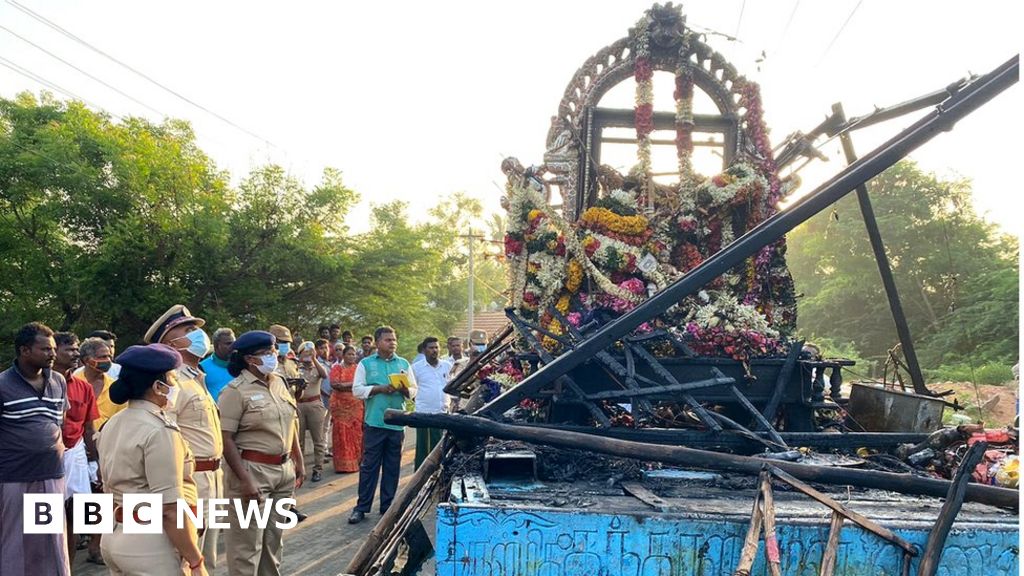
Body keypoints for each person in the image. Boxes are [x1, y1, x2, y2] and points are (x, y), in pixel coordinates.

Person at [97, 344, 208, 576]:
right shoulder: (160, 430)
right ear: (158, 387)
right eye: (173, 379)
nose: (176, 385)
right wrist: (195, 560)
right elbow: (169, 510)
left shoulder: (114, 423)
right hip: (151, 544)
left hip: (115, 535)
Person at [218, 331, 304, 576]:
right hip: (252, 471)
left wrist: (298, 459)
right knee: (247, 547)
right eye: (266, 353)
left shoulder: (278, 382)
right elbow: (225, 439)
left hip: (283, 472)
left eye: (274, 351)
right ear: (249, 359)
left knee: (273, 542)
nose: (273, 356)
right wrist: (245, 480)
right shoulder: (234, 391)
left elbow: (291, 422)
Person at [145, 304, 225, 568]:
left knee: (207, 559)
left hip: (212, 478)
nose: (199, 335)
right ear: (171, 341)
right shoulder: (172, 382)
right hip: (190, 481)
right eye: (189, 330)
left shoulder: (195, 376)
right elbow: (166, 436)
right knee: (186, 560)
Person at [0, 322, 70, 576]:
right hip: (14, 477)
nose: (53, 353)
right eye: (45, 349)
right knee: (15, 543)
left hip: (51, 474)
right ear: (25, 350)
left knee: (49, 540)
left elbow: (57, 422)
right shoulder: (3, 385)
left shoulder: (59, 382)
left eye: (53, 348)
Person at [348, 326, 416, 524]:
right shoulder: (366, 364)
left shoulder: (403, 363)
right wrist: (379, 389)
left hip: (397, 424)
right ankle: (361, 508)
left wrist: (405, 390)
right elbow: (357, 390)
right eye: (387, 340)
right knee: (369, 467)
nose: (392, 343)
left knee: (392, 467)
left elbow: (414, 390)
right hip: (375, 422)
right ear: (377, 343)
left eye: (394, 340)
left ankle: (387, 508)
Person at [58, 333, 99, 562]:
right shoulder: (39, 383)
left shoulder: (83, 387)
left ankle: (71, 565)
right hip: (47, 456)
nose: (75, 353)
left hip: (77, 453)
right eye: (69, 349)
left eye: (76, 349)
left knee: (78, 514)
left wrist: (95, 462)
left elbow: (89, 427)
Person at [411, 337, 452, 469]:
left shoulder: (447, 366)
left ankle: (439, 478)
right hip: (425, 414)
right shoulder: (416, 368)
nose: (434, 350)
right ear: (424, 350)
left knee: (442, 447)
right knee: (425, 450)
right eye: (431, 348)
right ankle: (420, 481)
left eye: (436, 347)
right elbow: (411, 390)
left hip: (443, 412)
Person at [295, 341, 328, 483]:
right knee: (299, 440)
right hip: (299, 405)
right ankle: (299, 469)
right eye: (305, 352)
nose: (308, 354)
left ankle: (318, 469)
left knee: (318, 440)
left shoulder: (318, 367)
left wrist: (314, 359)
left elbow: (324, 375)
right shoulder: (296, 369)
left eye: (311, 352)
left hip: (315, 405)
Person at [329, 344, 363, 473]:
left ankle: (358, 461)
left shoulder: (358, 368)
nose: (352, 356)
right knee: (342, 434)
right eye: (349, 354)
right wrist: (353, 385)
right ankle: (343, 465)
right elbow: (335, 384)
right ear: (343, 356)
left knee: (357, 433)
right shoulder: (337, 368)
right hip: (340, 406)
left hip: (356, 405)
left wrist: (347, 386)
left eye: (353, 354)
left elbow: (362, 385)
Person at [200, 328, 236, 400]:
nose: (233, 347)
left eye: (234, 343)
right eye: (228, 343)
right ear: (216, 346)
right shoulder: (202, 367)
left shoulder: (242, 366)